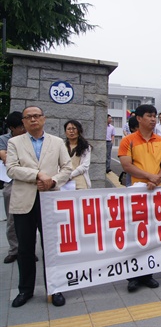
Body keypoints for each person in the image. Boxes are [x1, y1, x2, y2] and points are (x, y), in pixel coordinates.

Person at [6, 106, 72, 308]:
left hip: (49, 199)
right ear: (23, 122)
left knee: (52, 247)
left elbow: (67, 168)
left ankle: (55, 288)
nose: (33, 119)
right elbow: (11, 169)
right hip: (24, 201)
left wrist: (53, 181)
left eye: (37, 116)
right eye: (29, 117)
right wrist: (37, 175)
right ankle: (25, 290)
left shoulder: (57, 142)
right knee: (25, 248)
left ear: (44, 119)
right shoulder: (14, 142)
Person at [118, 104, 161, 292]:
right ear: (139, 118)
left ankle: (148, 274)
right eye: (149, 115)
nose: (153, 119)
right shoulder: (128, 140)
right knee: (135, 233)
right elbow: (126, 166)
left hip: (156, 190)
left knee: (151, 233)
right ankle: (133, 276)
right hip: (136, 191)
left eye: (155, 116)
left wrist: (157, 179)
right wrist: (150, 177)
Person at [0, 111, 26, 264]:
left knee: (29, 219)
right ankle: (14, 250)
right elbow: (5, 157)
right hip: (11, 182)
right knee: (11, 219)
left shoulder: (29, 138)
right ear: (11, 128)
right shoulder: (4, 140)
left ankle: (27, 249)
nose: (23, 129)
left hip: (28, 183)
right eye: (19, 127)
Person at [63, 120, 92, 189]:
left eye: (74, 128)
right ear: (65, 132)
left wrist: (70, 175)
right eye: (69, 129)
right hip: (64, 182)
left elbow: (85, 166)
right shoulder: (61, 146)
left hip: (80, 182)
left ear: (79, 130)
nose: (71, 131)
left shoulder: (86, 147)